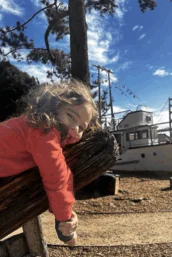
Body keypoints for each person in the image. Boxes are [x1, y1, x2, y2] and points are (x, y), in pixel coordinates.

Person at [0, 80, 99, 246]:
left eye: (82, 128)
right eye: (71, 116)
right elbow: (58, 178)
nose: (75, 129)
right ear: (54, 108)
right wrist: (66, 222)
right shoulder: (44, 131)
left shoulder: (32, 125)